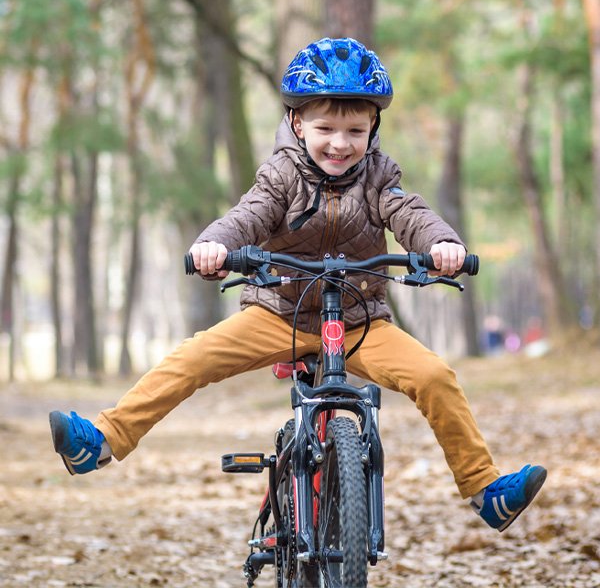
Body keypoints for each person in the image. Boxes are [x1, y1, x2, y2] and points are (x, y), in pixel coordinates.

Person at [49, 37, 546, 532]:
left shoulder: (379, 176)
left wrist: (442, 245)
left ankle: (484, 490)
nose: (340, 143)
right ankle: (103, 440)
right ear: (296, 123)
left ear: (373, 126)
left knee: (435, 377)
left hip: (358, 322)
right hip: (277, 314)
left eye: (355, 129)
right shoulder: (281, 174)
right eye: (325, 127)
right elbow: (250, 215)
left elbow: (410, 214)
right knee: (191, 360)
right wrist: (214, 246)